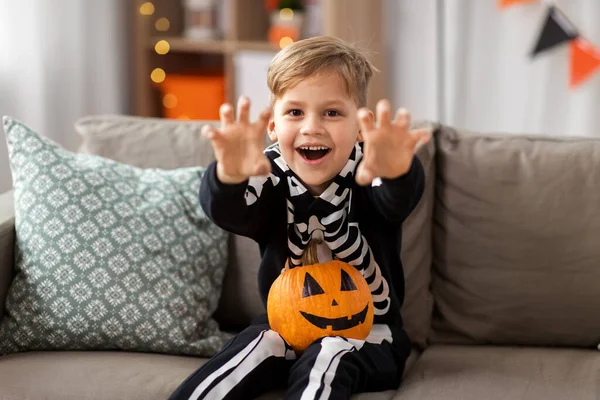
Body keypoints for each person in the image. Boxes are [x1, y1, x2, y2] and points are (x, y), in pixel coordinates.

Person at [168, 35, 430, 400]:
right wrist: (228, 176)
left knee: (331, 350)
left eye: (332, 112)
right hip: (286, 323)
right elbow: (231, 212)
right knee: (254, 342)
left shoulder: (370, 171)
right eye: (295, 112)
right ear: (273, 127)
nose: (312, 127)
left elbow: (396, 199)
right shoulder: (267, 173)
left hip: (370, 332)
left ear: (360, 127)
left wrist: (398, 170)